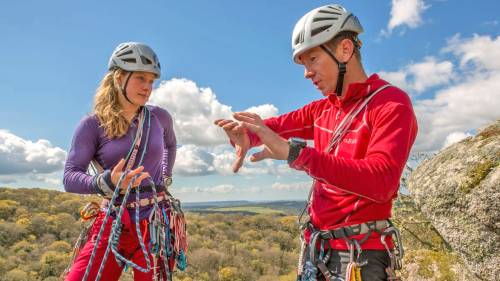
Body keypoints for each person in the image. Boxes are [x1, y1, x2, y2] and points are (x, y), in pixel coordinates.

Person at [215, 4, 417, 281]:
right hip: (317, 247)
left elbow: (381, 182)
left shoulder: (390, 104)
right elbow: (274, 127)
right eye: (303, 63)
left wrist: (297, 154)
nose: (307, 73)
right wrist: (246, 136)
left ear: (345, 50)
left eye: (312, 59)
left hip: (360, 256)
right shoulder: (323, 109)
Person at [63, 42, 186, 281]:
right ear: (119, 78)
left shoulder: (160, 117)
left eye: (152, 81)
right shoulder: (92, 125)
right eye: (141, 78)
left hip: (154, 222)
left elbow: (171, 145)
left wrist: (165, 175)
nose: (148, 87)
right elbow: (70, 177)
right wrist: (105, 181)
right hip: (114, 219)